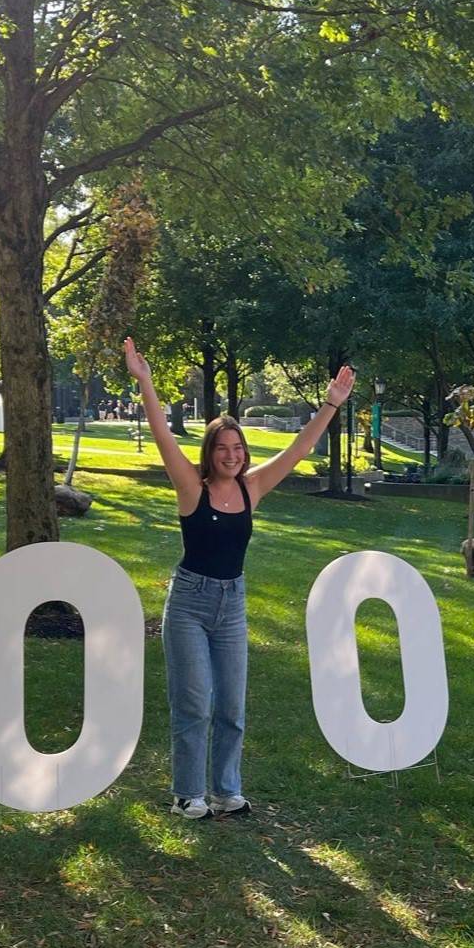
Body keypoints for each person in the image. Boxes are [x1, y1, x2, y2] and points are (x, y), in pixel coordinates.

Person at [124, 335, 354, 819]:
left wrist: (331, 405)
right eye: (222, 448)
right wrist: (145, 382)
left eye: (238, 447)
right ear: (209, 453)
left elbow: (298, 448)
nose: (231, 455)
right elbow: (163, 435)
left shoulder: (252, 488)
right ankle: (188, 794)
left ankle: (227, 791)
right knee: (194, 706)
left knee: (231, 707)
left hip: (233, 603)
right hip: (189, 602)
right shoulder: (193, 487)